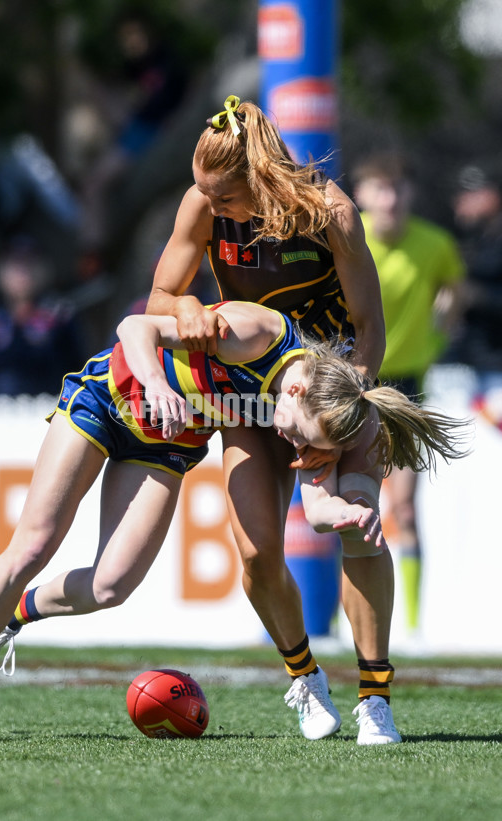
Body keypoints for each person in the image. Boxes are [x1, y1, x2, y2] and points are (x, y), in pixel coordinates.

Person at [0, 299, 468, 743]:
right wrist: (157, 386)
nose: (294, 445)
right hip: (108, 400)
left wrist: (349, 510)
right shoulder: (254, 333)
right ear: (297, 391)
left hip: (165, 443)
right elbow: (134, 326)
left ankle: (19, 610)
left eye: (308, 445)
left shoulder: (312, 410)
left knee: (111, 585)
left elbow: (318, 507)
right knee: (34, 545)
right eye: (301, 433)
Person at [144, 95, 402, 743]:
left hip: (335, 390)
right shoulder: (201, 202)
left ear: (259, 181)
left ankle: (375, 696)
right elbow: (160, 295)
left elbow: (370, 331)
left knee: (360, 527)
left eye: (222, 197)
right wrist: (188, 313)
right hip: (251, 394)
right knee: (258, 552)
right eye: (201, 191)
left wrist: (336, 420)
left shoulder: (333, 214)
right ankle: (306, 677)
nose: (208, 204)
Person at [351, 152, 466, 631]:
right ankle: (339, 622)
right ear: (362, 195)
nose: (391, 198)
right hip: (355, 381)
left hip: (406, 386)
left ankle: (412, 630)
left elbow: (455, 296)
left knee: (403, 506)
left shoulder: (435, 243)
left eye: (398, 189)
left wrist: (436, 337)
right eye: (381, 188)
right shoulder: (348, 234)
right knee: (349, 502)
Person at [0, 235, 87, 396]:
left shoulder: (61, 315)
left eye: (30, 264)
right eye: (15, 265)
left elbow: (77, 367)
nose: (23, 273)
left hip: (52, 405)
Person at [446, 163, 502, 429]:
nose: (460, 204)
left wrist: (474, 296)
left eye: (468, 194)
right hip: (466, 366)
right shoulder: (474, 238)